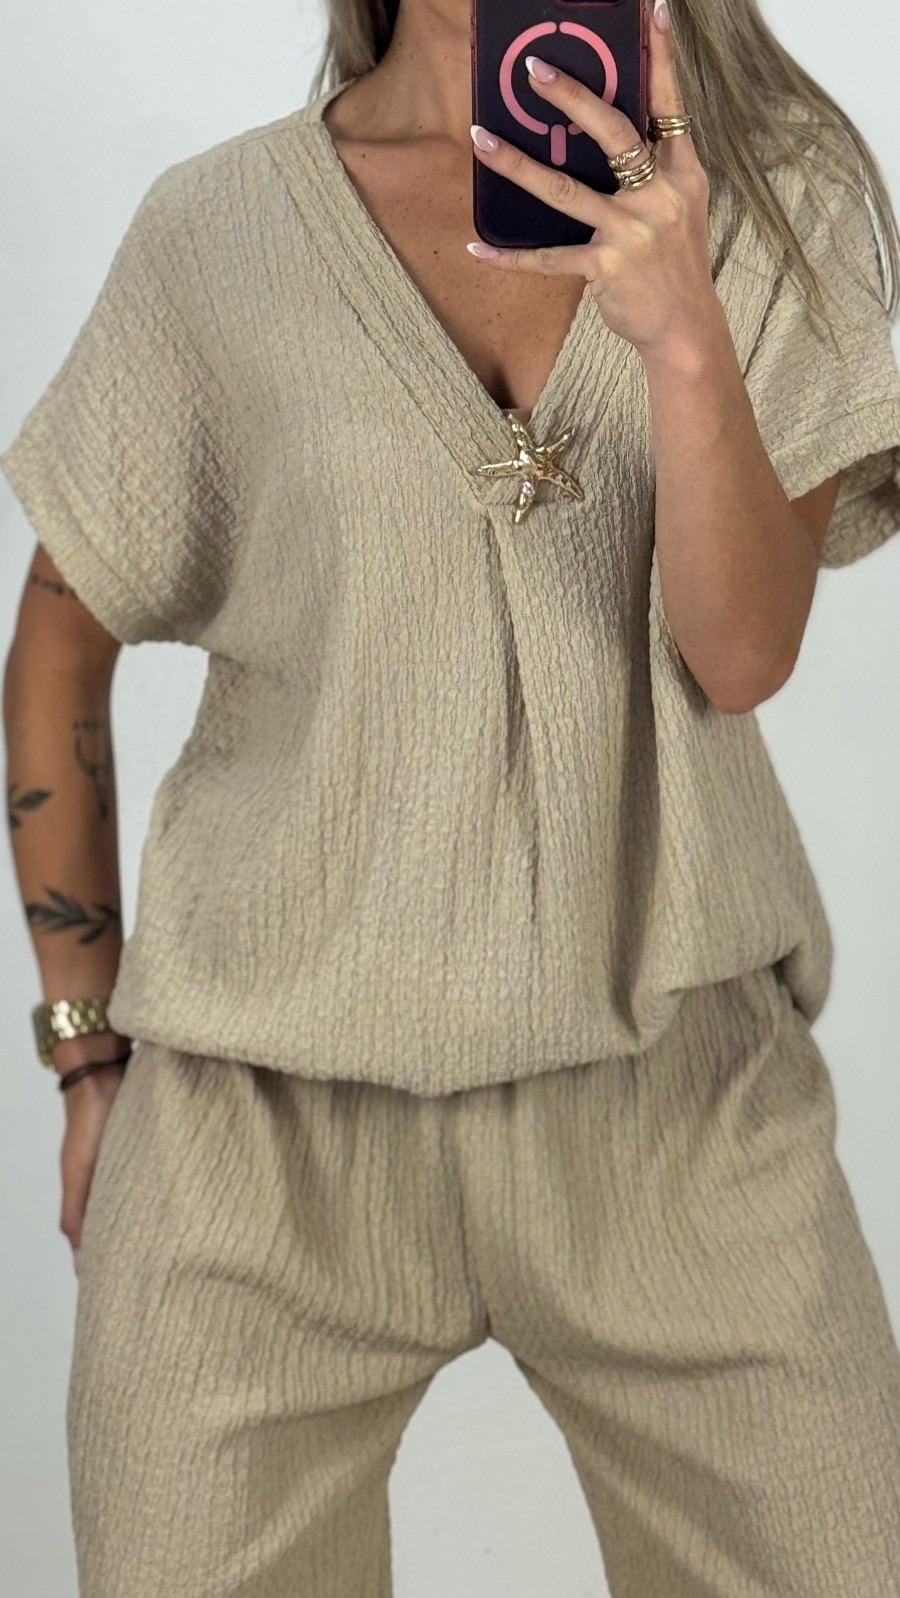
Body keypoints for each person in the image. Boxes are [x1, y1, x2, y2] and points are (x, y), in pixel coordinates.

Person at [3, 0, 900, 1591]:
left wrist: (683, 332)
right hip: (255, 1128)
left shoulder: (774, 197)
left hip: (679, 1106)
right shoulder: (216, 232)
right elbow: (60, 645)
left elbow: (744, 652)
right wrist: (85, 1055)